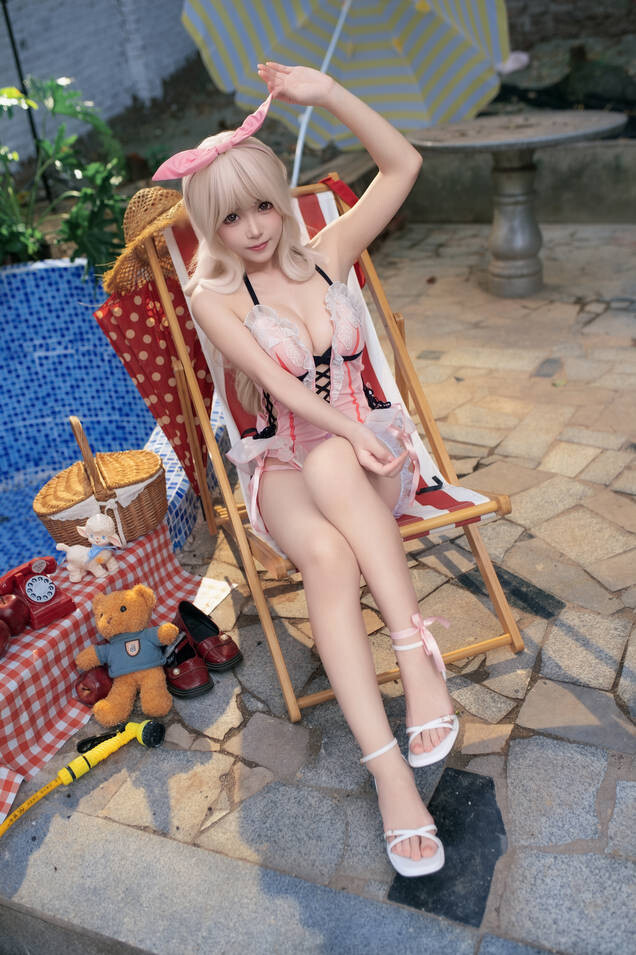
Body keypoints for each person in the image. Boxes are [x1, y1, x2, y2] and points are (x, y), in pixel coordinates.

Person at [154, 62, 458, 878]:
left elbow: (403, 164)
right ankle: (392, 771)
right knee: (323, 540)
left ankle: (413, 657)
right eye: (230, 217)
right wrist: (344, 431)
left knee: (334, 463)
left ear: (280, 198)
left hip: (370, 453)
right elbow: (278, 385)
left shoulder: (330, 251)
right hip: (283, 460)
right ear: (209, 226)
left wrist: (325, 95)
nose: (254, 228)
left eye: (262, 205)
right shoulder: (214, 296)